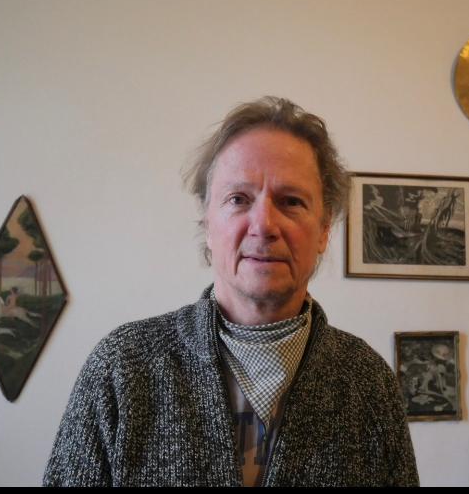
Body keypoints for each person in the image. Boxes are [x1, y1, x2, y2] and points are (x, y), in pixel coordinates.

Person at [42, 96, 419, 487]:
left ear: (324, 230)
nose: (264, 225)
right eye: (238, 199)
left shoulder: (369, 384)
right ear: (207, 223)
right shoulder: (121, 368)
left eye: (291, 201)